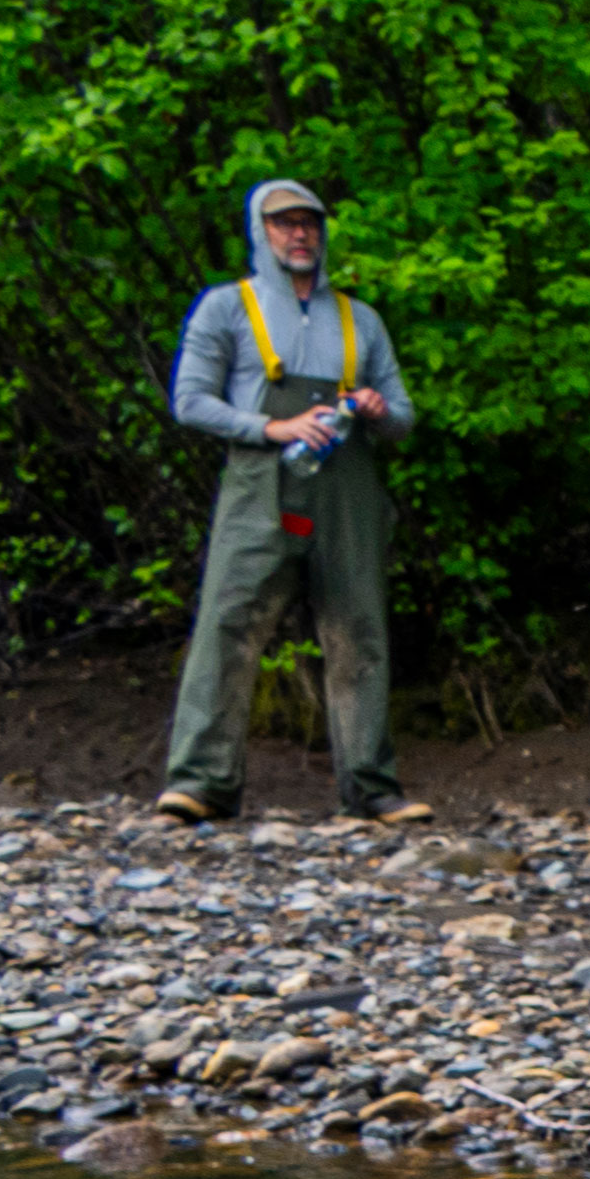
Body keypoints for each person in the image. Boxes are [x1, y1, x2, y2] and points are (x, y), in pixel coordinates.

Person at [154, 179, 416, 823]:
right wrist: (272, 429)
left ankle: (371, 788)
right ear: (259, 232)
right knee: (227, 625)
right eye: (284, 223)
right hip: (260, 483)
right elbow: (189, 401)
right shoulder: (226, 308)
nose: (299, 234)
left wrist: (378, 411)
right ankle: (199, 783)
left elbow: (405, 418)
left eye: (309, 223)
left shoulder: (362, 320)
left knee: (359, 631)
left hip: (346, 489)